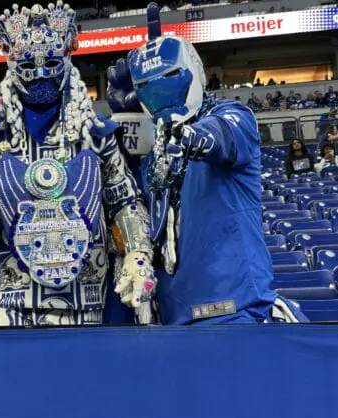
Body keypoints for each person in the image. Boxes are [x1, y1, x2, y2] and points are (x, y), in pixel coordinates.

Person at [0, 1, 156, 327]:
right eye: (29, 64)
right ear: (11, 63)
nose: (41, 72)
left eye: (50, 62)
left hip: (82, 306)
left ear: (67, 59)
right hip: (1, 307)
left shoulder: (97, 132)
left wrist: (136, 254)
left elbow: (123, 200)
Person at [107, 2, 305, 324]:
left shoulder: (232, 116)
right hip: (172, 319)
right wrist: (129, 125)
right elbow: (129, 202)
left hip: (234, 310)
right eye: (149, 89)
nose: (162, 96)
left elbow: (221, 137)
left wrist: (188, 136)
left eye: (170, 77)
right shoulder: (154, 152)